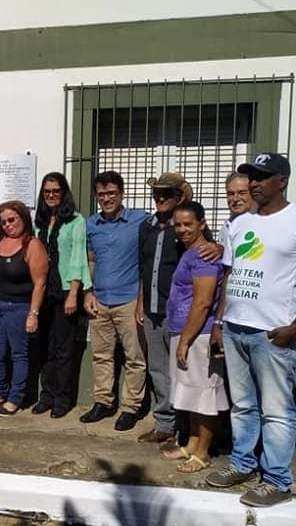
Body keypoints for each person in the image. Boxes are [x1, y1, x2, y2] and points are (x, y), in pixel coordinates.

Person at [206, 153, 296, 507]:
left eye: (262, 177)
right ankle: (243, 463)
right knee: (242, 405)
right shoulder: (241, 223)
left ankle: (277, 480)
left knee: (276, 410)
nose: (254, 183)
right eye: (252, 177)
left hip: (272, 334)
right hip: (235, 329)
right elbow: (229, 275)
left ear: (282, 181)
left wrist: (294, 328)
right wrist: (219, 322)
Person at [160, 201, 228, 474]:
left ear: (202, 224)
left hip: (198, 335)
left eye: (189, 224)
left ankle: (203, 453)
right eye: (178, 224)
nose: (182, 229)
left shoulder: (203, 256)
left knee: (203, 395)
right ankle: (191, 443)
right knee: (189, 393)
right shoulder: (190, 252)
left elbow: (203, 302)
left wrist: (187, 340)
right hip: (184, 330)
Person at [82, 170, 148, 431]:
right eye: (101, 194)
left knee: (135, 358)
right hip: (100, 301)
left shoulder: (140, 220)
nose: (106, 198)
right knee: (101, 356)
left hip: (129, 300)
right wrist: (88, 292)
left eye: (111, 193)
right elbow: (90, 260)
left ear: (121, 193)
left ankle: (130, 408)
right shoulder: (92, 224)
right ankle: (103, 402)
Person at [134, 173, 193, 444]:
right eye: (157, 194)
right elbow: (146, 268)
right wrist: (141, 302)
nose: (160, 198)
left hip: (179, 311)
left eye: (166, 194)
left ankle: (186, 428)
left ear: (179, 197)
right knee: (157, 368)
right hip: (152, 309)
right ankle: (165, 425)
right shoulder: (146, 227)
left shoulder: (185, 228)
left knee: (182, 370)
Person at [33, 172, 91, 419]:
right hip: (43, 291)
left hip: (66, 290)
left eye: (56, 191)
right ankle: (46, 395)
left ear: (63, 192)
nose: (51, 195)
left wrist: (74, 293)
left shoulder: (76, 221)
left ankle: (62, 398)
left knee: (64, 348)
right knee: (45, 346)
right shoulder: (40, 222)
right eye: (47, 191)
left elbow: (79, 258)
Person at [0, 200, 47, 417]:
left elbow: (40, 283)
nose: (7, 225)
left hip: (18, 309)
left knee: (18, 355)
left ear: (23, 218)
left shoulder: (32, 245)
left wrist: (33, 314)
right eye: (3, 222)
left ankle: (15, 398)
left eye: (12, 220)